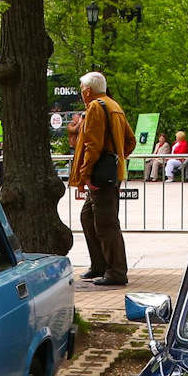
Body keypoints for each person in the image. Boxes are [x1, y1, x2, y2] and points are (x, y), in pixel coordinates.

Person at [71, 71, 131, 287]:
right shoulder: (114, 106)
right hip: (108, 175)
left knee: (106, 224)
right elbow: (130, 141)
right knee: (89, 218)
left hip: (99, 177)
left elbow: (93, 145)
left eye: (81, 90)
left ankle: (116, 272)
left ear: (88, 90)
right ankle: (100, 265)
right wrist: (116, 160)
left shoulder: (96, 107)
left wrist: (86, 173)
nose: (81, 94)